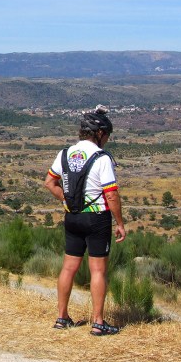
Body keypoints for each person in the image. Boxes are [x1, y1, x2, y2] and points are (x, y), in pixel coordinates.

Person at [43, 106, 126, 335]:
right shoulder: (102, 157)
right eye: (107, 135)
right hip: (96, 217)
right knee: (98, 271)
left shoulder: (65, 154)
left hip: (72, 216)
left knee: (68, 268)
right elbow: (111, 194)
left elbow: (49, 182)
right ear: (99, 133)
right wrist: (119, 223)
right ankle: (98, 322)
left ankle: (62, 318)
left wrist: (67, 199)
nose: (107, 140)